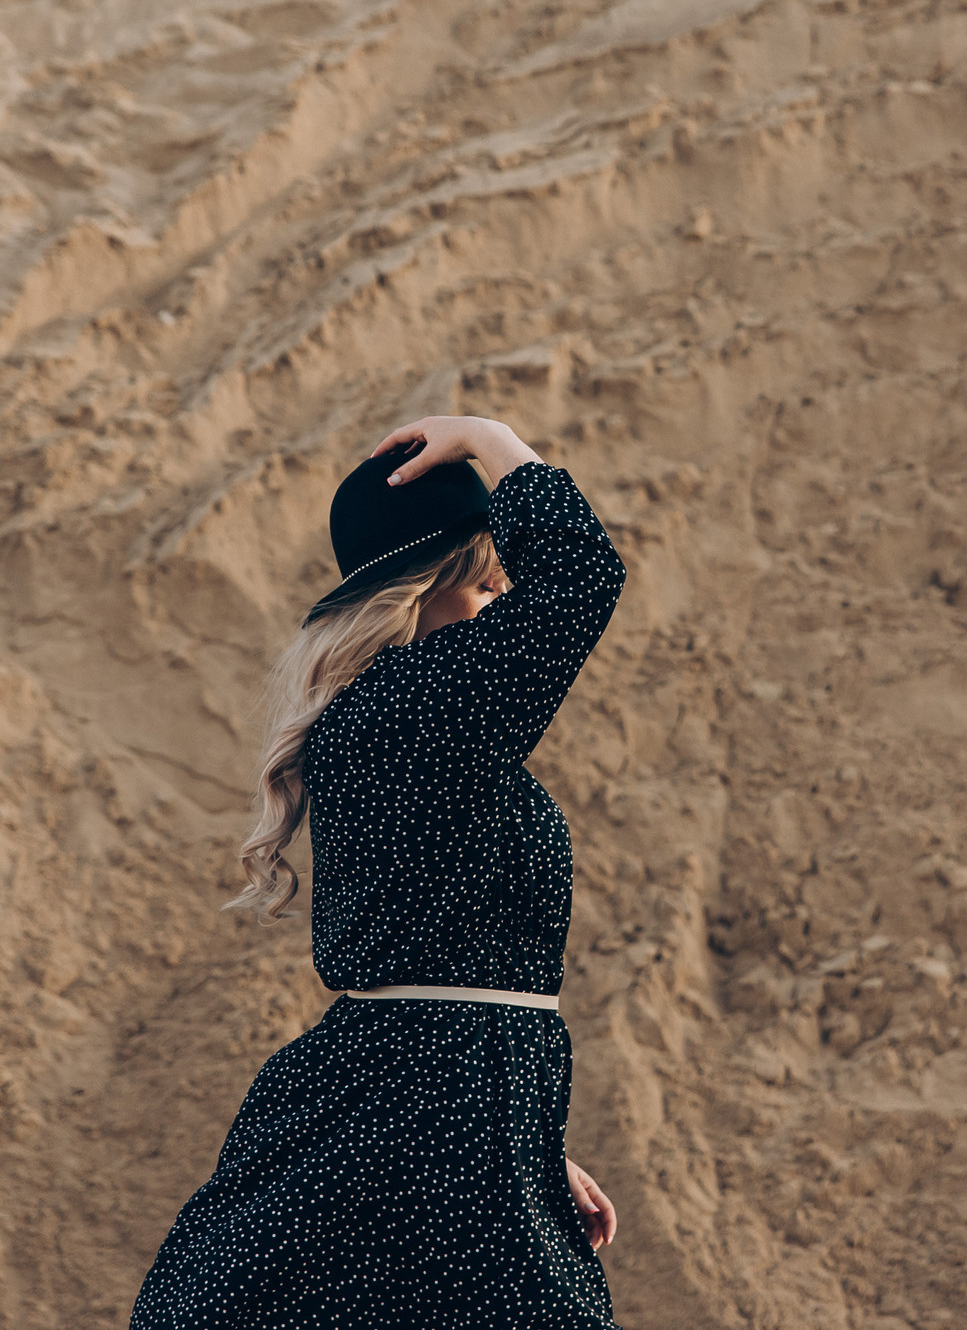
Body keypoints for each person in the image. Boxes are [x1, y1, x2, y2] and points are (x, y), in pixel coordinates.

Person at [129, 415, 627, 1329]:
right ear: (423, 589)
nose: (496, 608)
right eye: (484, 585)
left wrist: (522, 1140)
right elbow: (585, 577)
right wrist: (491, 436)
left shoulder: (390, 717)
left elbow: (438, 962)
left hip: (441, 1109)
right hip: (433, 1117)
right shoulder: (413, 708)